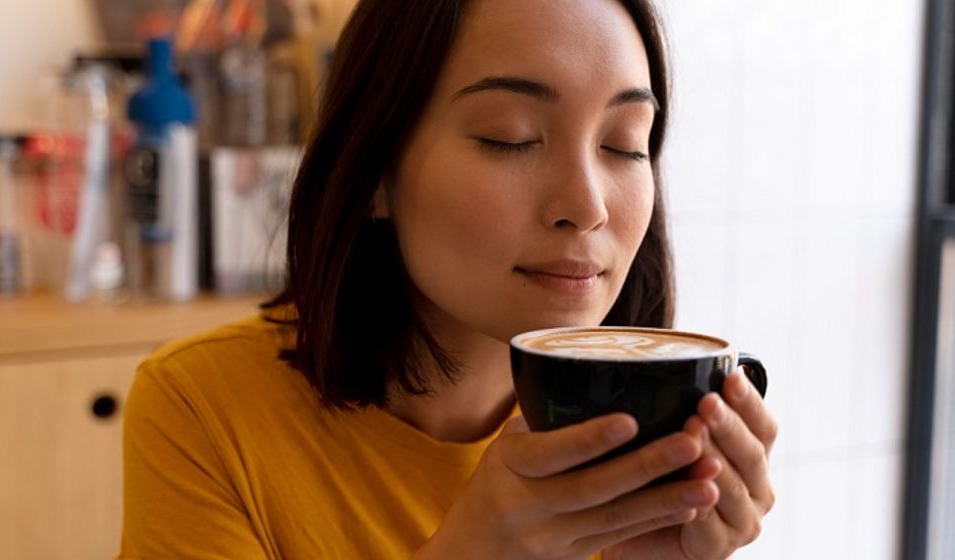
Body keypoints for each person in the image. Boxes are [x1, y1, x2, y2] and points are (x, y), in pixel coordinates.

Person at [117, 0, 778, 558]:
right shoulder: (201, 408)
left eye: (625, 144)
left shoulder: (649, 437)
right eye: (509, 137)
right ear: (375, 171)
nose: (589, 205)